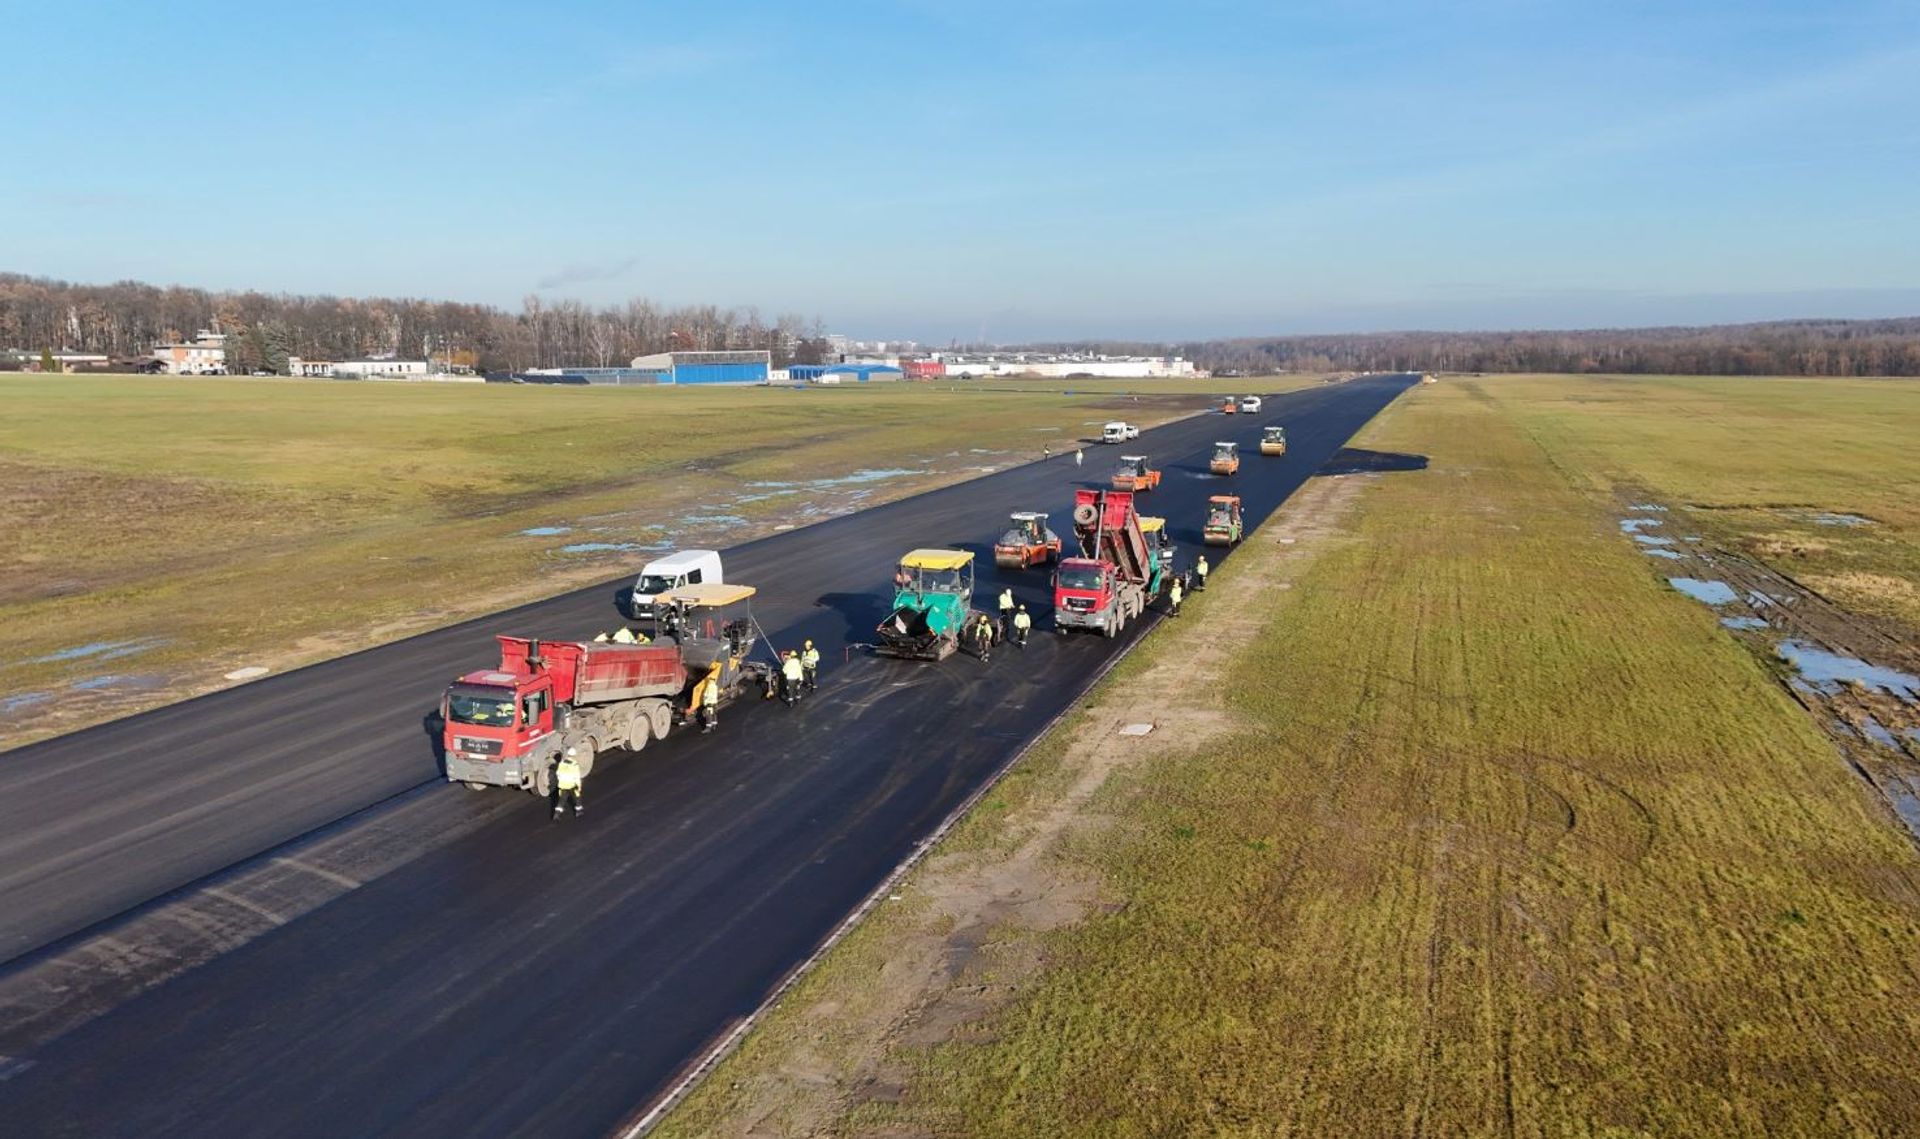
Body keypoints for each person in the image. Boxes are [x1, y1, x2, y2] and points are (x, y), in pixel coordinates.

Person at [552, 750, 584, 820]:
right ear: (574, 755)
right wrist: (579, 786)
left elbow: (558, 773)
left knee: (562, 799)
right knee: (577, 797)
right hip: (572, 785)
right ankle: (579, 812)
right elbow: (577, 776)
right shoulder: (574, 764)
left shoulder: (562, 763)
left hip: (563, 784)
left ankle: (556, 814)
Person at [692, 664, 721, 733]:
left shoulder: (709, 686)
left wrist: (704, 702)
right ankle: (714, 725)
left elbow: (706, 695)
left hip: (709, 703)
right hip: (714, 702)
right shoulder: (715, 686)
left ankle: (708, 728)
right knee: (714, 714)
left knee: (708, 715)